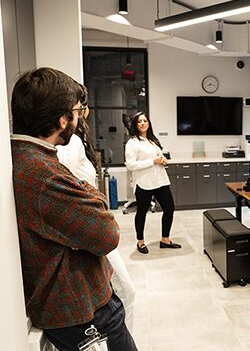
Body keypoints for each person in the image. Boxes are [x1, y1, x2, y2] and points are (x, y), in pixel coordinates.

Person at [10, 67, 137, 350]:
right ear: (61, 119)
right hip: (83, 313)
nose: (80, 118)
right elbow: (107, 233)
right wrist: (94, 198)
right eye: (77, 111)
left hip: (79, 307)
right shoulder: (42, 173)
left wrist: (88, 198)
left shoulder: (32, 159)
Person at [56, 85, 136, 333]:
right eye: (80, 106)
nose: (84, 111)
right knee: (125, 292)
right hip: (86, 232)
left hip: (89, 228)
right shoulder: (71, 143)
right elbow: (64, 177)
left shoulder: (78, 140)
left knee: (118, 295)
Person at [125, 112, 180, 254]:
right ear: (135, 125)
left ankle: (165, 240)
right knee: (142, 213)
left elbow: (158, 157)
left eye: (145, 120)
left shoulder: (152, 140)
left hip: (160, 179)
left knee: (169, 208)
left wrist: (162, 160)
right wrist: (153, 161)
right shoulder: (132, 143)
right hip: (144, 182)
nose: (143, 123)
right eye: (139, 121)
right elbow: (130, 165)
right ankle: (140, 242)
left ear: (149, 123)